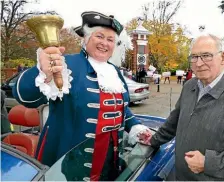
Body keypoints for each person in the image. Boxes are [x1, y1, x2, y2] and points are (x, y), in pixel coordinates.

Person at [13, 11, 151, 181]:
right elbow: (23, 96)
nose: (105, 43)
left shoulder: (114, 72)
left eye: (110, 40)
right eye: (99, 36)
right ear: (85, 38)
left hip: (109, 166)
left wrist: (136, 127)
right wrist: (42, 72)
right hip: (67, 168)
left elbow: (120, 108)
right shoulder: (66, 64)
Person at [141, 34, 224, 181]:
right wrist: (153, 140)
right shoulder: (189, 86)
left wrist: (208, 163)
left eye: (206, 56)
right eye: (194, 57)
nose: (199, 63)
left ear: (223, 58)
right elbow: (174, 123)